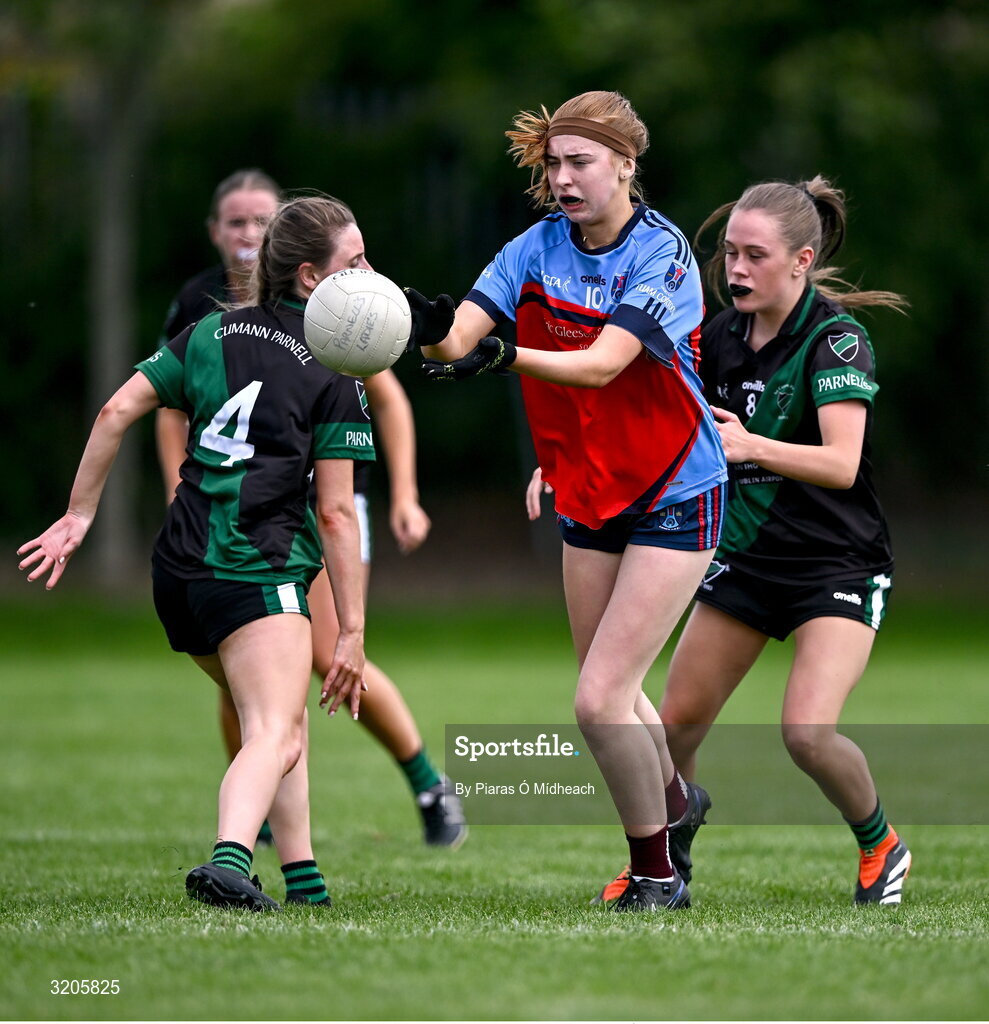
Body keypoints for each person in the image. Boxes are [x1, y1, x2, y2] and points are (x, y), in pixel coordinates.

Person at [415, 91, 728, 912]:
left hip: (674, 487)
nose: (561, 179)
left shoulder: (661, 254)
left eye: (579, 162)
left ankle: (655, 874)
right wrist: (407, 321)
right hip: (587, 489)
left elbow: (601, 364)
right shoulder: (533, 247)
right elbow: (457, 338)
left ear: (625, 164)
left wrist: (498, 355)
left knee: (596, 700)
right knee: (612, 691)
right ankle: (677, 804)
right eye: (553, 164)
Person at [18, 195, 376, 911]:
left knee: (279, 720)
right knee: (274, 730)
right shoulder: (335, 367)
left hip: (178, 573)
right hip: (256, 569)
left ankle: (304, 880)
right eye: (356, 262)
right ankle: (229, 861)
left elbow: (116, 410)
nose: (370, 275)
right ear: (310, 276)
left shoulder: (208, 330)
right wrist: (354, 630)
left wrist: (78, 514)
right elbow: (336, 513)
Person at [585, 175, 911, 906]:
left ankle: (880, 843)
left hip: (836, 566)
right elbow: (646, 412)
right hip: (745, 561)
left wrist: (752, 447)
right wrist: (567, 462)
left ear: (800, 261)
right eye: (729, 252)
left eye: (754, 255)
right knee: (674, 729)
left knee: (806, 732)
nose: (735, 268)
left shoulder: (835, 340)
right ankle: (665, 866)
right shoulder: (718, 336)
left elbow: (842, 464)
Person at [157, 170, 466, 848]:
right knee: (245, 677)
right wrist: (183, 493)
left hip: (318, 507)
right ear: (214, 232)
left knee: (327, 652)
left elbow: (388, 398)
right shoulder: (200, 307)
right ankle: (264, 817)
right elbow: (163, 405)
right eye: (235, 221)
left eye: (260, 219)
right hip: (237, 512)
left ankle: (426, 783)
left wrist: (405, 494)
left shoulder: (338, 307)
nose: (248, 231)